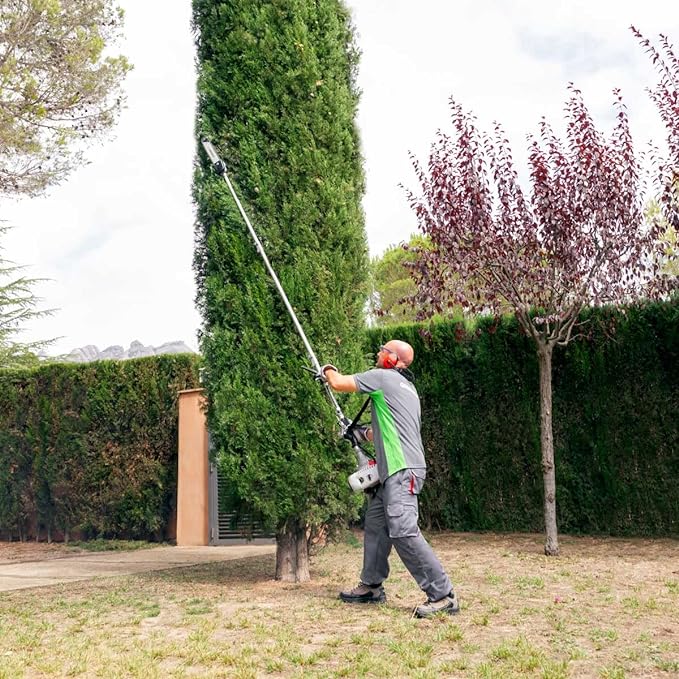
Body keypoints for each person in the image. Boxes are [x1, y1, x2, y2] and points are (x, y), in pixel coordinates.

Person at [321, 339, 459, 618]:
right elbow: (382, 429)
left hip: (401, 469)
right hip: (394, 471)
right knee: (375, 525)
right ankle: (371, 587)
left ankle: (442, 595)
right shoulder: (408, 389)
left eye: (383, 350)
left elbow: (337, 383)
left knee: (403, 530)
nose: (378, 353)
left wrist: (327, 370)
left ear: (393, 360)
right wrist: (358, 433)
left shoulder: (382, 377)